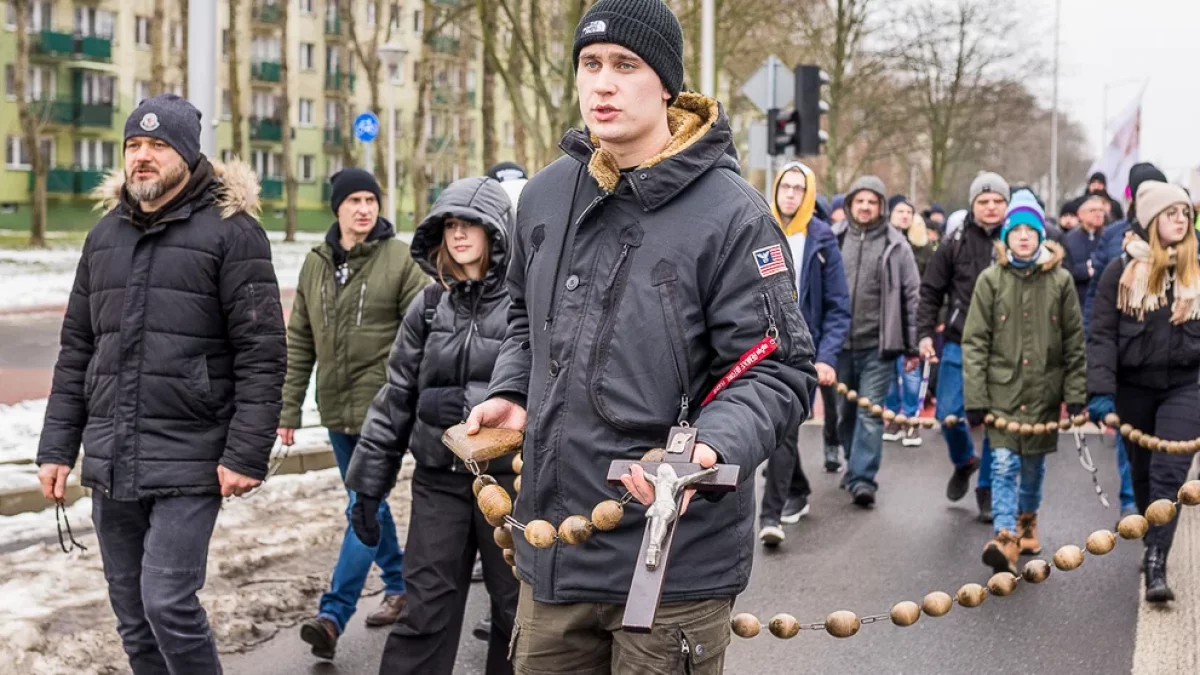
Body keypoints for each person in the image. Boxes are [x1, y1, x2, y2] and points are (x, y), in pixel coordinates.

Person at [462, 1, 816, 672]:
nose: (603, 83)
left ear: (666, 86)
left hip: (672, 559)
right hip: (555, 550)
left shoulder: (734, 215)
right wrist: (513, 387)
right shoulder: (542, 196)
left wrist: (707, 446)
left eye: (625, 66)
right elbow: (520, 313)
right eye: (590, 65)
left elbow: (778, 369)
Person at [36, 94, 287, 674]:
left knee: (167, 603)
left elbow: (262, 352)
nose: (142, 157)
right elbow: (77, 349)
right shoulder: (103, 238)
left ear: (188, 155)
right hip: (113, 457)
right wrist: (56, 448)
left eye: (157, 145)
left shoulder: (233, 233)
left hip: (192, 455)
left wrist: (246, 453)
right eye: (133, 146)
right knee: (132, 615)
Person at [342, 176, 519, 674]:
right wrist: (368, 489)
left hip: (508, 483)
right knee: (425, 609)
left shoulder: (525, 307)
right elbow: (396, 396)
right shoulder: (429, 306)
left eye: (472, 225)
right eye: (451, 226)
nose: (459, 235)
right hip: (439, 480)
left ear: (497, 232)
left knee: (516, 614)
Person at [280, 168, 427, 658]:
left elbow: (423, 333)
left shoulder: (401, 260)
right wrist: (288, 409)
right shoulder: (315, 263)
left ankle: (332, 615)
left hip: (382, 414)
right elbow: (299, 338)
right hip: (336, 408)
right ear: (337, 207)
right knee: (371, 507)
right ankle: (401, 584)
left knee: (361, 508)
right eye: (354, 200)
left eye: (371, 199)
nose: (364, 208)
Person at [1087, 180, 1200, 603]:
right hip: (1133, 389)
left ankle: (1157, 561)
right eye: (1171, 213)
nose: (1180, 220)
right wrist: (1099, 393)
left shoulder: (1197, 270)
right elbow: (1100, 336)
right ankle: (1152, 538)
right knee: (1141, 476)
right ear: (1152, 220)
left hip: (1185, 387)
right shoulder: (1120, 271)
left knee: (1169, 475)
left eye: (1185, 214)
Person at [961, 191, 1086, 575]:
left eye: (1031, 230)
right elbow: (975, 340)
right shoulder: (990, 280)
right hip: (1002, 392)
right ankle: (1004, 535)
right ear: (1007, 236)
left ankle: (1028, 519)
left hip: (1043, 392)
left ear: (1041, 235)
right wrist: (976, 397)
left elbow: (1073, 341)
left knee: (1032, 466)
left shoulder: (1061, 281)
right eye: (1017, 231)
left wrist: (1076, 394)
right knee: (1002, 463)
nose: (1024, 237)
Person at [759, 162, 851, 546]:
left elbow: (838, 306)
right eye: (786, 186)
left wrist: (827, 356)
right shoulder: (760, 228)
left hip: (803, 351)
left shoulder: (822, 240)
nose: (792, 194)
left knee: (785, 430)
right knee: (775, 428)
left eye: (799, 188)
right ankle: (796, 486)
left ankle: (770, 516)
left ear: (809, 194)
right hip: (761, 346)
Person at [917, 172, 1011, 522]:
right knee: (948, 416)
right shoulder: (955, 240)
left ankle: (986, 488)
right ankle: (964, 461)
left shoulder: (1017, 237)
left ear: (1006, 204)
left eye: (997, 201)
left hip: (1004, 347)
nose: (990, 207)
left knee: (994, 422)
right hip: (959, 342)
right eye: (983, 201)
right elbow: (930, 291)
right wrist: (924, 334)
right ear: (973, 205)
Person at [1084, 163, 1167, 519]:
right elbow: (1098, 297)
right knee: (1130, 436)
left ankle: (1158, 502)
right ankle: (1132, 499)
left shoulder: (1184, 243)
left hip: (1170, 360)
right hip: (1126, 353)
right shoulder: (1115, 236)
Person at [832, 176, 921, 507]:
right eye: (860, 201)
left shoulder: (897, 245)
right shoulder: (834, 239)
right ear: (850, 204)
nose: (866, 207)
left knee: (871, 414)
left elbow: (912, 297)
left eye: (872, 201)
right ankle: (851, 463)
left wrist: (912, 346)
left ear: (881, 206)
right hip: (839, 347)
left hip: (878, 347)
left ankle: (862, 478)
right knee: (845, 413)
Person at [882, 195, 932, 448]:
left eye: (908, 212)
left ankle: (912, 419)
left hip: (914, 315)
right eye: (900, 211)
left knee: (911, 373)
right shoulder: (882, 243)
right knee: (889, 373)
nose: (904, 215)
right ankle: (893, 418)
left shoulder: (922, 247)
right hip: (889, 318)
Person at [1063, 195, 1109, 325]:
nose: (1098, 214)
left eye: (1101, 210)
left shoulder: (1108, 237)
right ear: (1080, 214)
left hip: (1103, 302)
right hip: (1079, 303)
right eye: (1093, 210)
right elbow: (1065, 269)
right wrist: (1085, 270)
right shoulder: (1069, 239)